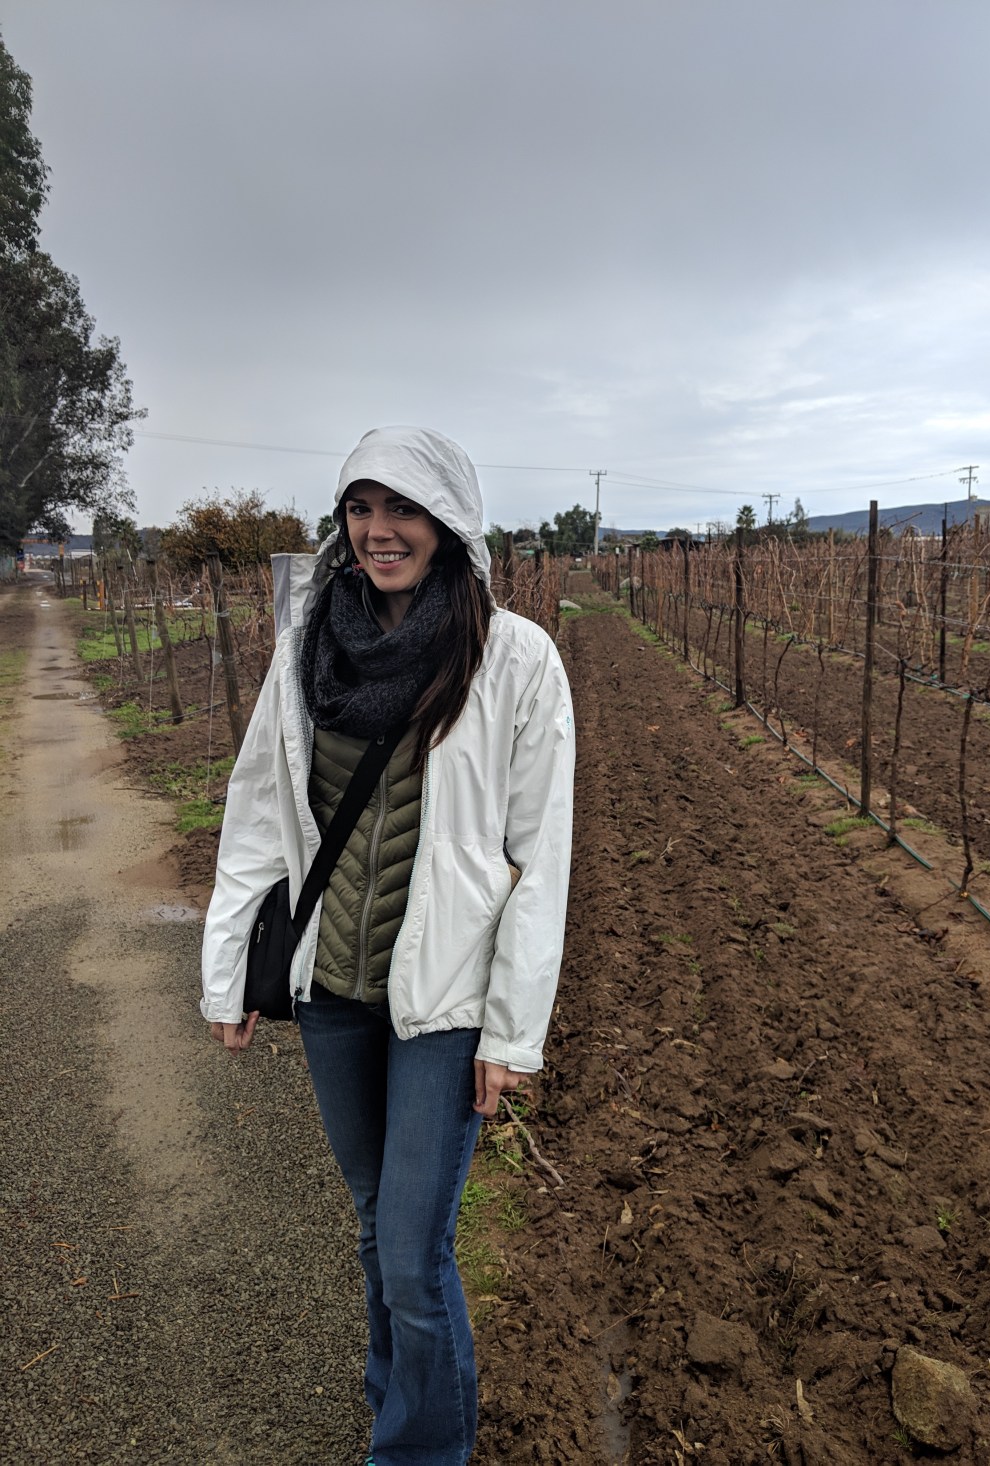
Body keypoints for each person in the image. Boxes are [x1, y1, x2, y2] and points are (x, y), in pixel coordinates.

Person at [200, 426, 575, 1465]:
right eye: (360, 508)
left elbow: (539, 856)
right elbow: (257, 813)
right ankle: (395, 1403)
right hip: (332, 987)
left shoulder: (513, 658)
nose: (379, 531)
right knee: (375, 1225)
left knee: (412, 1251)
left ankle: (418, 1450)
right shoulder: (308, 647)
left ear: (447, 521)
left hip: (443, 1001)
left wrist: (513, 1031)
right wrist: (228, 974)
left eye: (402, 507)